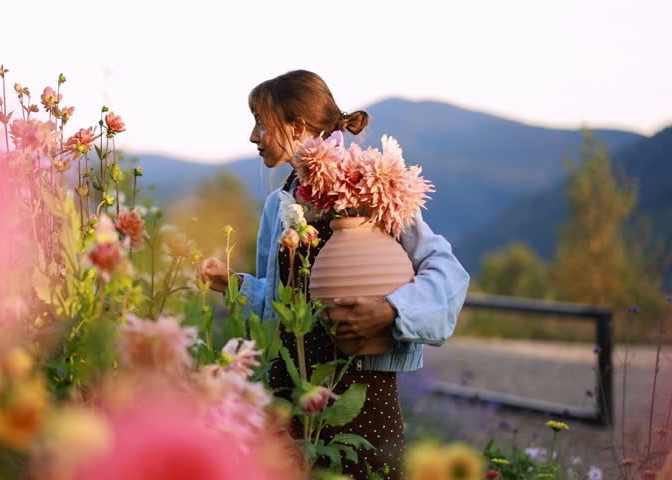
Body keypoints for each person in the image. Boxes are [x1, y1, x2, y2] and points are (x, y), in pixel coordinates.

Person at [199, 69, 470, 479]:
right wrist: (233, 284)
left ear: (296, 125)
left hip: (363, 397)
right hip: (291, 392)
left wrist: (392, 311)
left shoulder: (372, 186)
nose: (254, 137)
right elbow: (282, 304)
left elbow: (448, 273)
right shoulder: (280, 203)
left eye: (261, 123)